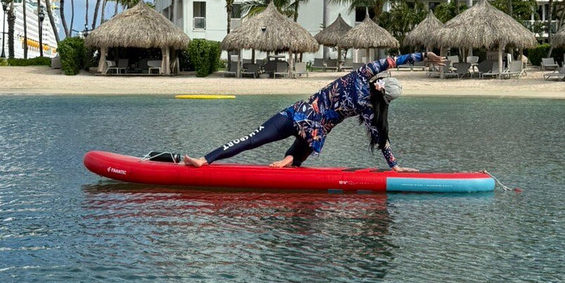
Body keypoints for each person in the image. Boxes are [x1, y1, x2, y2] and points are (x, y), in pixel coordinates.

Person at [183, 50, 446, 171]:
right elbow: (382, 140)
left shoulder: (363, 73)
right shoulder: (370, 110)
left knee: (252, 139)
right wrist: (396, 167)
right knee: (303, 146)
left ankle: (205, 160)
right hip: (314, 135)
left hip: (297, 113)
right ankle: (291, 160)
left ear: (379, 81)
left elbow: (393, 60)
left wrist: (423, 55)